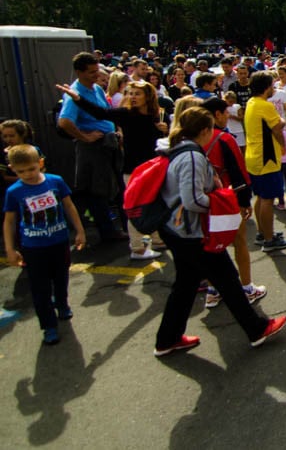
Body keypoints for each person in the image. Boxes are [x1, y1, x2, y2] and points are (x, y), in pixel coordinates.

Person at [153, 107, 286, 356]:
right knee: (226, 278)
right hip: (191, 231)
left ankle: (167, 338)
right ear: (204, 130)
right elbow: (192, 199)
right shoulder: (190, 156)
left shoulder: (175, 149)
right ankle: (256, 329)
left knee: (185, 284)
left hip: (178, 230)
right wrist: (221, 204)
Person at [56, 79, 169, 259]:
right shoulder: (125, 113)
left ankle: (156, 239)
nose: (132, 97)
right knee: (136, 207)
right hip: (133, 169)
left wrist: (164, 129)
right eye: (129, 93)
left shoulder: (155, 115)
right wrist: (77, 98)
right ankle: (137, 247)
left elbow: (157, 142)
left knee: (154, 203)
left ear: (148, 97)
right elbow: (100, 112)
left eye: (136, 94)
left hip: (152, 167)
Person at [3, 144, 85, 345]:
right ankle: (48, 325)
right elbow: (9, 221)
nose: (28, 174)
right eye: (21, 171)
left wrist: (80, 230)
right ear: (13, 169)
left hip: (58, 242)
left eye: (31, 169)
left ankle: (62, 303)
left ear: (40, 163)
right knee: (40, 288)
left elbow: (68, 206)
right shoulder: (14, 191)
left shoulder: (55, 181)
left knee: (61, 276)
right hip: (33, 247)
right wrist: (10, 248)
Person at [199, 97, 267, 308]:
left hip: (202, 200)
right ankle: (247, 288)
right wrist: (245, 201)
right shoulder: (224, 138)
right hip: (227, 198)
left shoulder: (189, 139)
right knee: (239, 242)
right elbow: (239, 172)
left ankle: (213, 291)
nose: (228, 116)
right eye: (226, 112)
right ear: (217, 115)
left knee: (210, 245)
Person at [58, 52, 125, 245]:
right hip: (94, 148)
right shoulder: (74, 94)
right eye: (91, 72)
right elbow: (64, 122)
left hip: (108, 144)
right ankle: (108, 232)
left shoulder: (95, 88)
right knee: (98, 191)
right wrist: (84, 137)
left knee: (112, 186)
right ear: (79, 72)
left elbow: (106, 113)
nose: (97, 75)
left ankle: (113, 228)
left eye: (97, 70)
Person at [245, 71, 286, 252]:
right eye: (272, 85)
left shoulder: (251, 102)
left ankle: (262, 232)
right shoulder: (265, 106)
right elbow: (278, 127)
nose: (274, 88)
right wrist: (282, 145)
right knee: (268, 199)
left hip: (254, 157)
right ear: (266, 88)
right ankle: (269, 239)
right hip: (267, 158)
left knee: (260, 197)